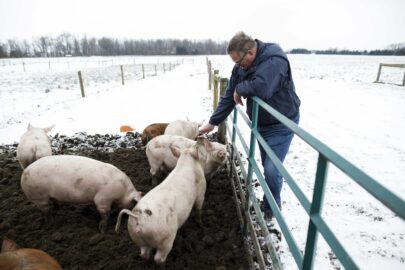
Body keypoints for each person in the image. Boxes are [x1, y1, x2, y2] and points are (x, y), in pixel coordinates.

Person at [199, 31, 301, 220]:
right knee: (267, 166)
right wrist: (213, 122)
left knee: (272, 170)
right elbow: (230, 93)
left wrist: (240, 89)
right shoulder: (242, 66)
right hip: (262, 122)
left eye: (238, 62)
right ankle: (270, 200)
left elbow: (262, 88)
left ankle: (272, 207)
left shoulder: (274, 59)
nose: (237, 66)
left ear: (250, 53)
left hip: (281, 124)